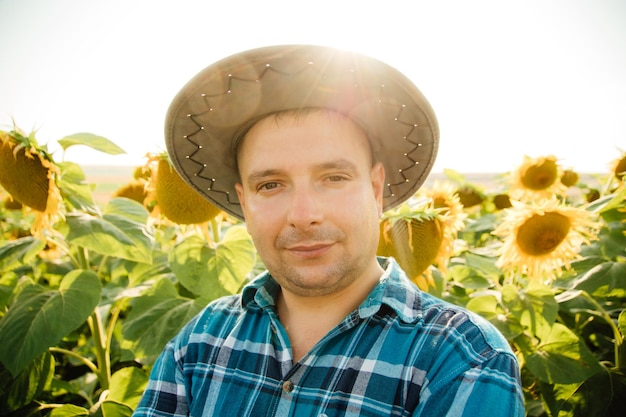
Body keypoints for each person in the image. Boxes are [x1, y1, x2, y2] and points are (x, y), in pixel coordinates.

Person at [133, 45, 525, 416]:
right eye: (270, 185)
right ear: (245, 202)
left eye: (334, 177)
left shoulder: (459, 358)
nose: (304, 215)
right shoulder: (201, 341)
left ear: (375, 190)